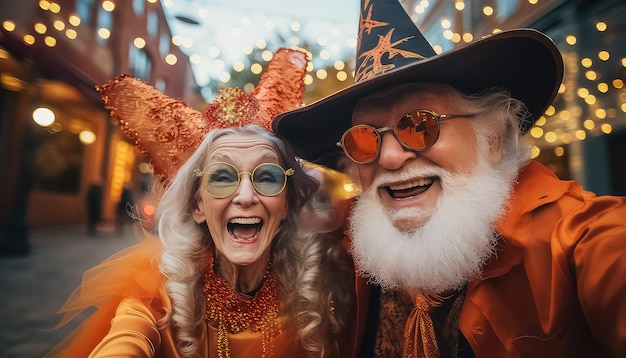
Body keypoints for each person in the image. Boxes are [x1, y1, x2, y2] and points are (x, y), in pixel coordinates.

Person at [272, 1, 626, 357]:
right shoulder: (339, 243)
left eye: (420, 125)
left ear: (494, 138)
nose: (391, 157)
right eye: (364, 139)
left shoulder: (575, 236)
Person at [48, 48, 356, 357]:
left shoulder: (320, 282)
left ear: (287, 203)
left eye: (267, 177)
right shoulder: (158, 293)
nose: (246, 196)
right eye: (222, 177)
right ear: (197, 205)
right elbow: (129, 335)